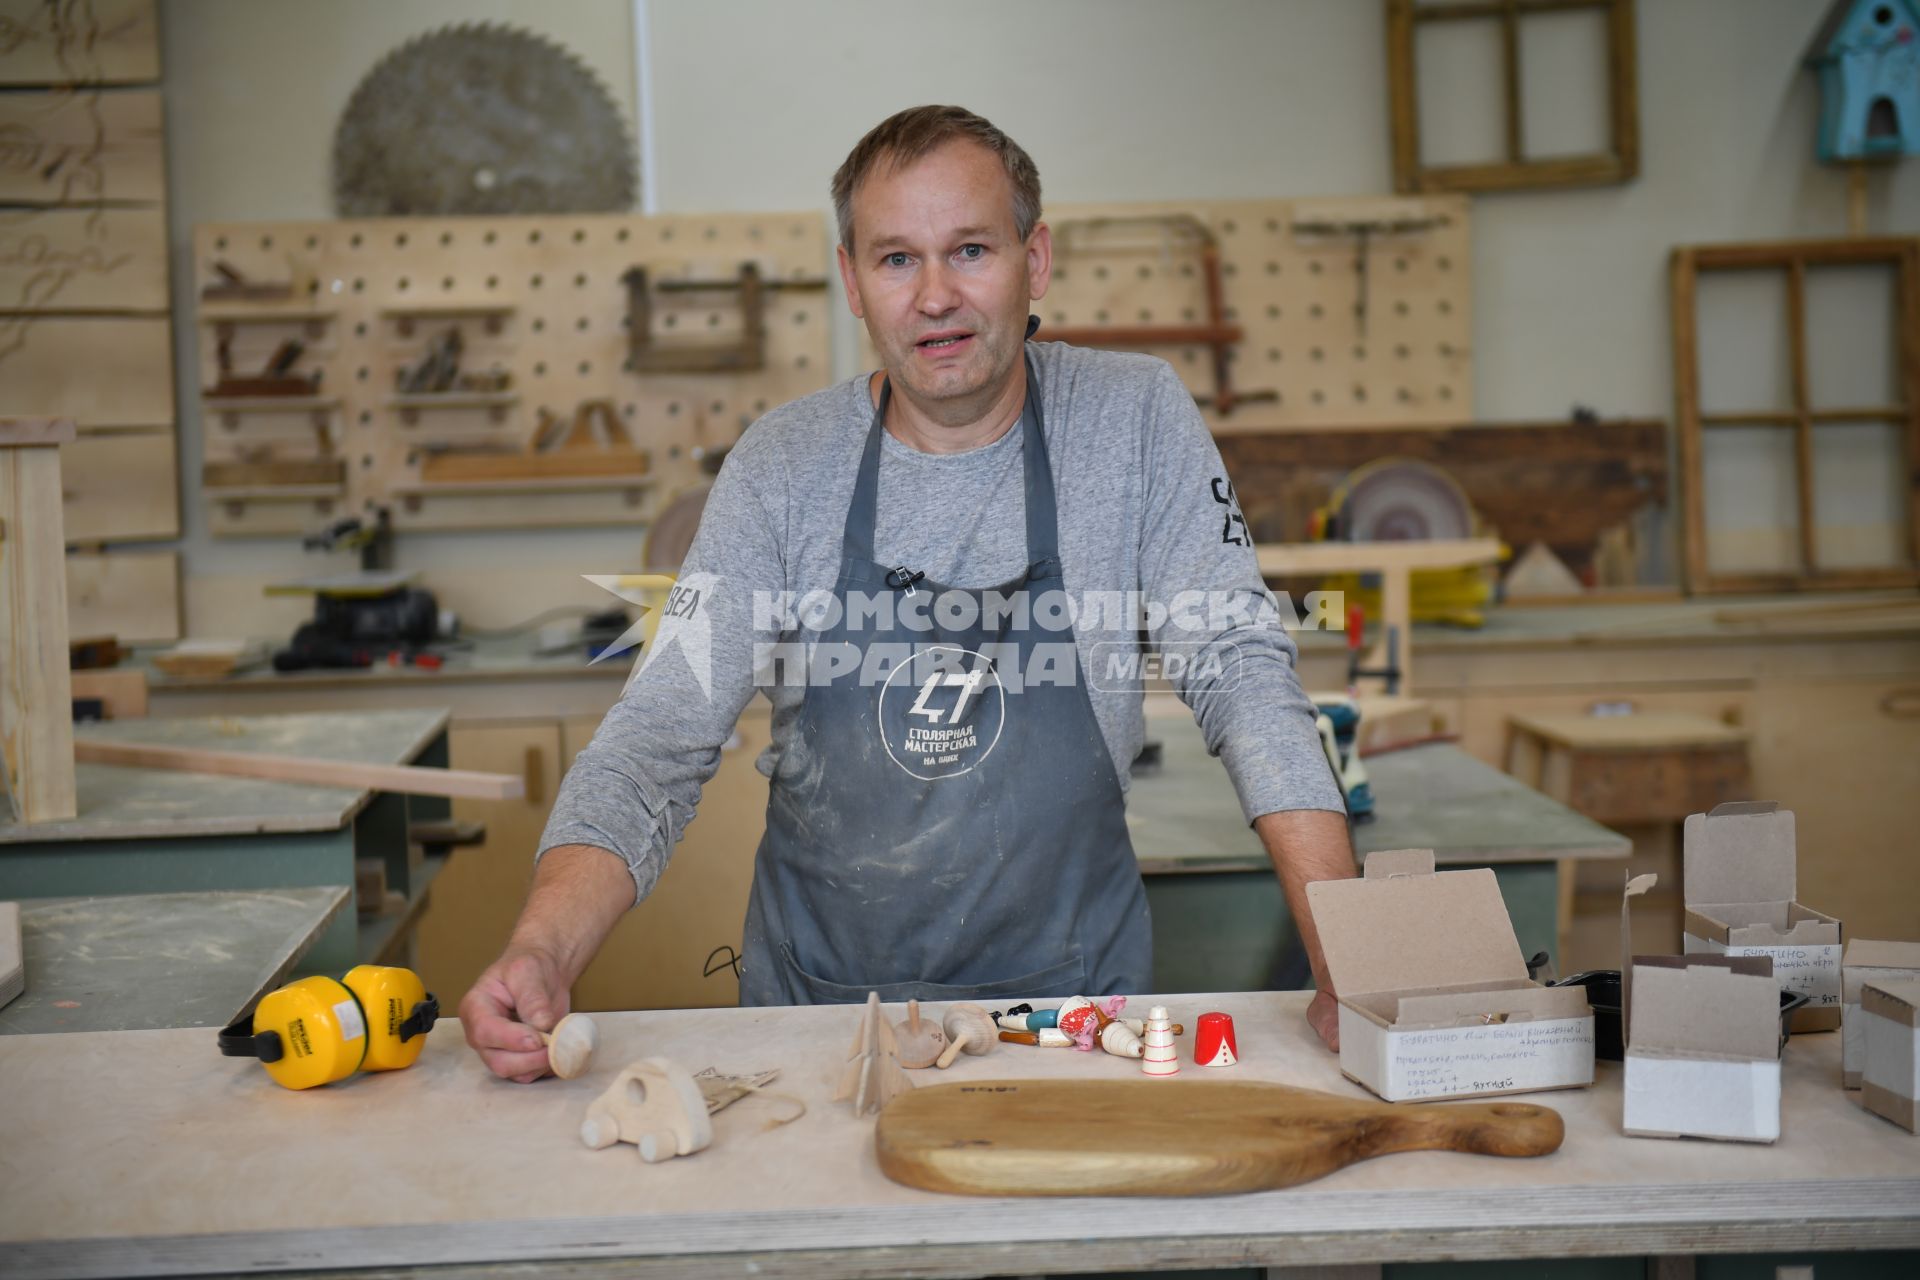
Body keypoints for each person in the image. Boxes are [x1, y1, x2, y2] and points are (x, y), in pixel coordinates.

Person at [461, 105, 1357, 1083]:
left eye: (970, 249)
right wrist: (542, 948)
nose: (935, 295)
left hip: (1075, 1020)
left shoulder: (1134, 420)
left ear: (1035, 258)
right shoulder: (780, 465)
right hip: (824, 1028)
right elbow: (658, 731)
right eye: (897, 260)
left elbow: (1240, 668)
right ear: (852, 278)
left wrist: (1348, 946)